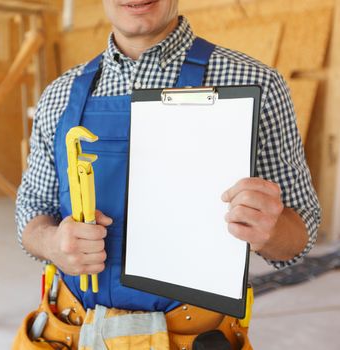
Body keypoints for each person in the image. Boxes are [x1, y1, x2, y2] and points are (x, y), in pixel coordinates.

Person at [16, 0, 320, 343]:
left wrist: (272, 228)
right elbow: (32, 209)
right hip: (72, 331)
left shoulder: (256, 82)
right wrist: (53, 243)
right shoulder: (59, 95)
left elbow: (300, 234)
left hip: (194, 336)